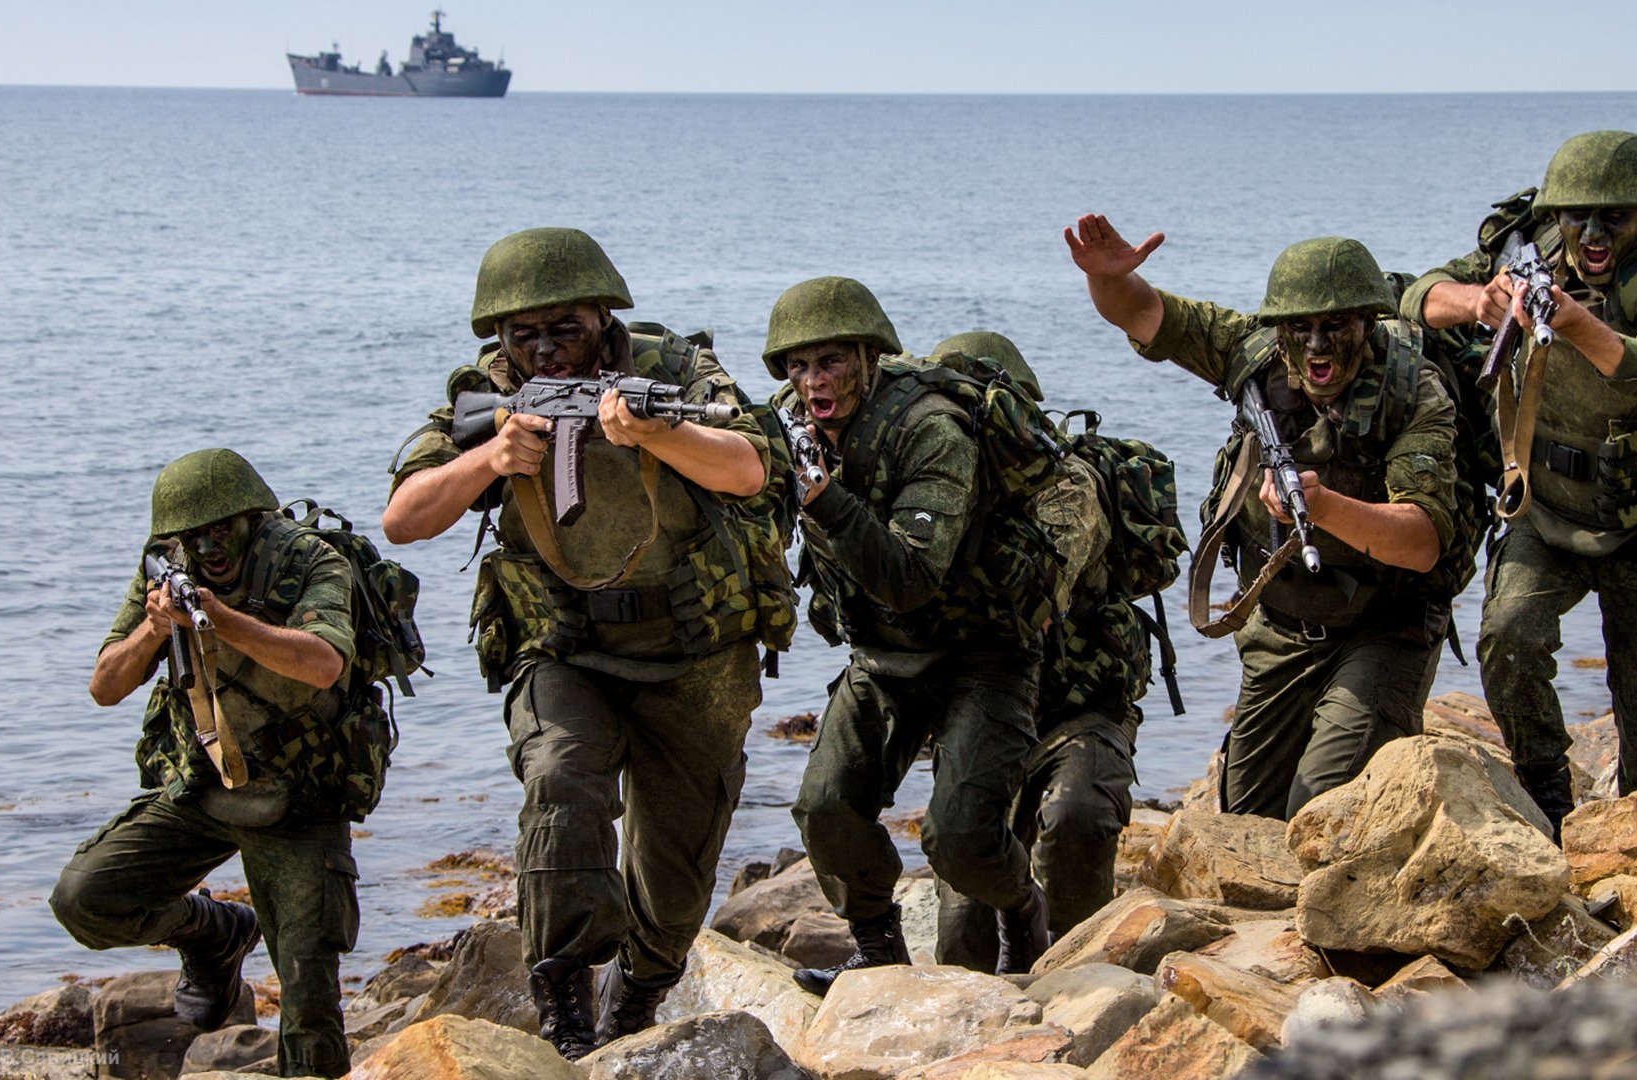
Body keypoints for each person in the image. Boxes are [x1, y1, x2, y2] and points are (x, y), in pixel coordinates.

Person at [382, 227, 789, 1059]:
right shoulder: (488, 392)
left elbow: (748, 468)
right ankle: (563, 1002)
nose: (543, 349)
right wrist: (491, 459)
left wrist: (655, 435)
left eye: (563, 328)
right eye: (522, 334)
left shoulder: (673, 370)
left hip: (692, 653)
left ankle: (634, 997)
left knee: (674, 881)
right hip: (564, 647)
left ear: (604, 317)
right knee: (560, 783)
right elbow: (403, 519)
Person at [1068, 218, 1463, 819]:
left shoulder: (1413, 394)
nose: (1317, 346)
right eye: (1300, 328)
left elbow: (1423, 540)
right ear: (1280, 328)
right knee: (1245, 818)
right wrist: (1107, 279)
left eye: (1336, 327)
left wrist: (1323, 506)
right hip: (1280, 628)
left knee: (1322, 801)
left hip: (1384, 624)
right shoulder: (1251, 350)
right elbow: (1144, 313)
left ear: (1368, 322)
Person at [1400, 131, 1637, 838]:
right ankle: (1549, 798)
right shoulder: (1532, 249)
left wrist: (1576, 323)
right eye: (1577, 216)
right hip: (1546, 508)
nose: (1593, 235)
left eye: (1614, 218)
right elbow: (1415, 297)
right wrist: (1479, 301)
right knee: (1508, 641)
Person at [765, 278, 1053, 992]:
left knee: (959, 839)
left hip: (981, 650)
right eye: (799, 367)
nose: (814, 382)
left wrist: (824, 500)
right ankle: (878, 953)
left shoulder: (931, 429)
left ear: (868, 357)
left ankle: (1023, 909)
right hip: (883, 655)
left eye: (831, 362)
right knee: (826, 808)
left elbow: (911, 577)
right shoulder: (789, 424)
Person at [51, 448, 361, 1078]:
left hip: (299, 797)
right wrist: (153, 627)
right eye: (194, 536)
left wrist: (220, 621)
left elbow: (324, 662)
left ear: (253, 518)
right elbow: (105, 686)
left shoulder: (309, 559)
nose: (208, 548)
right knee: (85, 898)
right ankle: (211, 932)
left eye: (222, 530)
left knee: (309, 1007)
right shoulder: (166, 566)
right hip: (203, 784)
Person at [923, 331, 1155, 965]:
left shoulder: (1067, 486)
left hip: (1080, 707)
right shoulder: (929, 488)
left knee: (1077, 817)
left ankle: (1082, 977)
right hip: (982, 719)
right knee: (964, 932)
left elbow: (1034, 594)